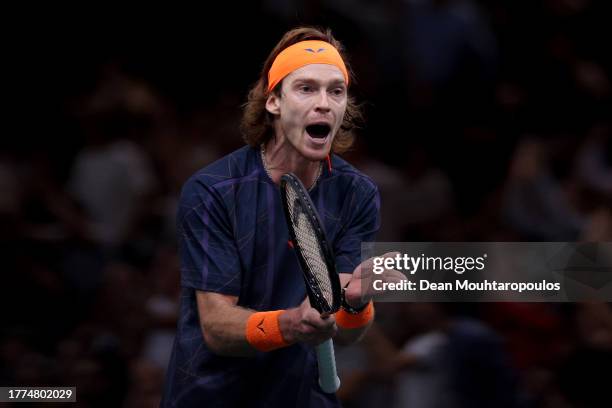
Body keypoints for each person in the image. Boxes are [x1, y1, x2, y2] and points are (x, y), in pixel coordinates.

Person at [161, 26, 400, 407]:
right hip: (212, 394)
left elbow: (347, 332)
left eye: (336, 91)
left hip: (301, 393)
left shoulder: (357, 193)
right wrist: (292, 323)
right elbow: (216, 326)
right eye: (306, 88)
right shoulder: (213, 190)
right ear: (273, 102)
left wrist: (355, 303)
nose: (324, 103)